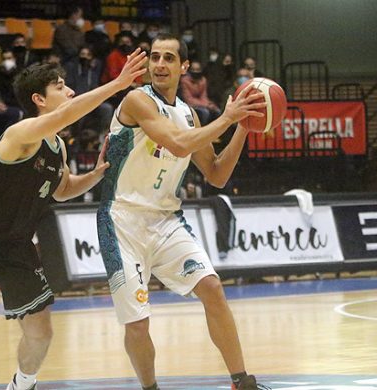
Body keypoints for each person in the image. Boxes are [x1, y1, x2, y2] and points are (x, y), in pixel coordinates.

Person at [0, 49, 146, 390]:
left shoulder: (59, 147)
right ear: (39, 98)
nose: (69, 92)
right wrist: (117, 84)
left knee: (41, 334)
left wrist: (99, 173)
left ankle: (21, 386)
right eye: (60, 86)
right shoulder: (20, 134)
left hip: (18, 247)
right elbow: (68, 114)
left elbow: (62, 189)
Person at [96, 34, 267, 390]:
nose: (159, 64)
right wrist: (226, 118)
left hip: (167, 220)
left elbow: (217, 174)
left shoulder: (189, 115)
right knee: (138, 323)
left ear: (183, 67)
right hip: (122, 221)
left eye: (168, 58)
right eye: (154, 57)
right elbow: (175, 143)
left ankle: (242, 381)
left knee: (212, 288)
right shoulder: (137, 100)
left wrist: (241, 127)